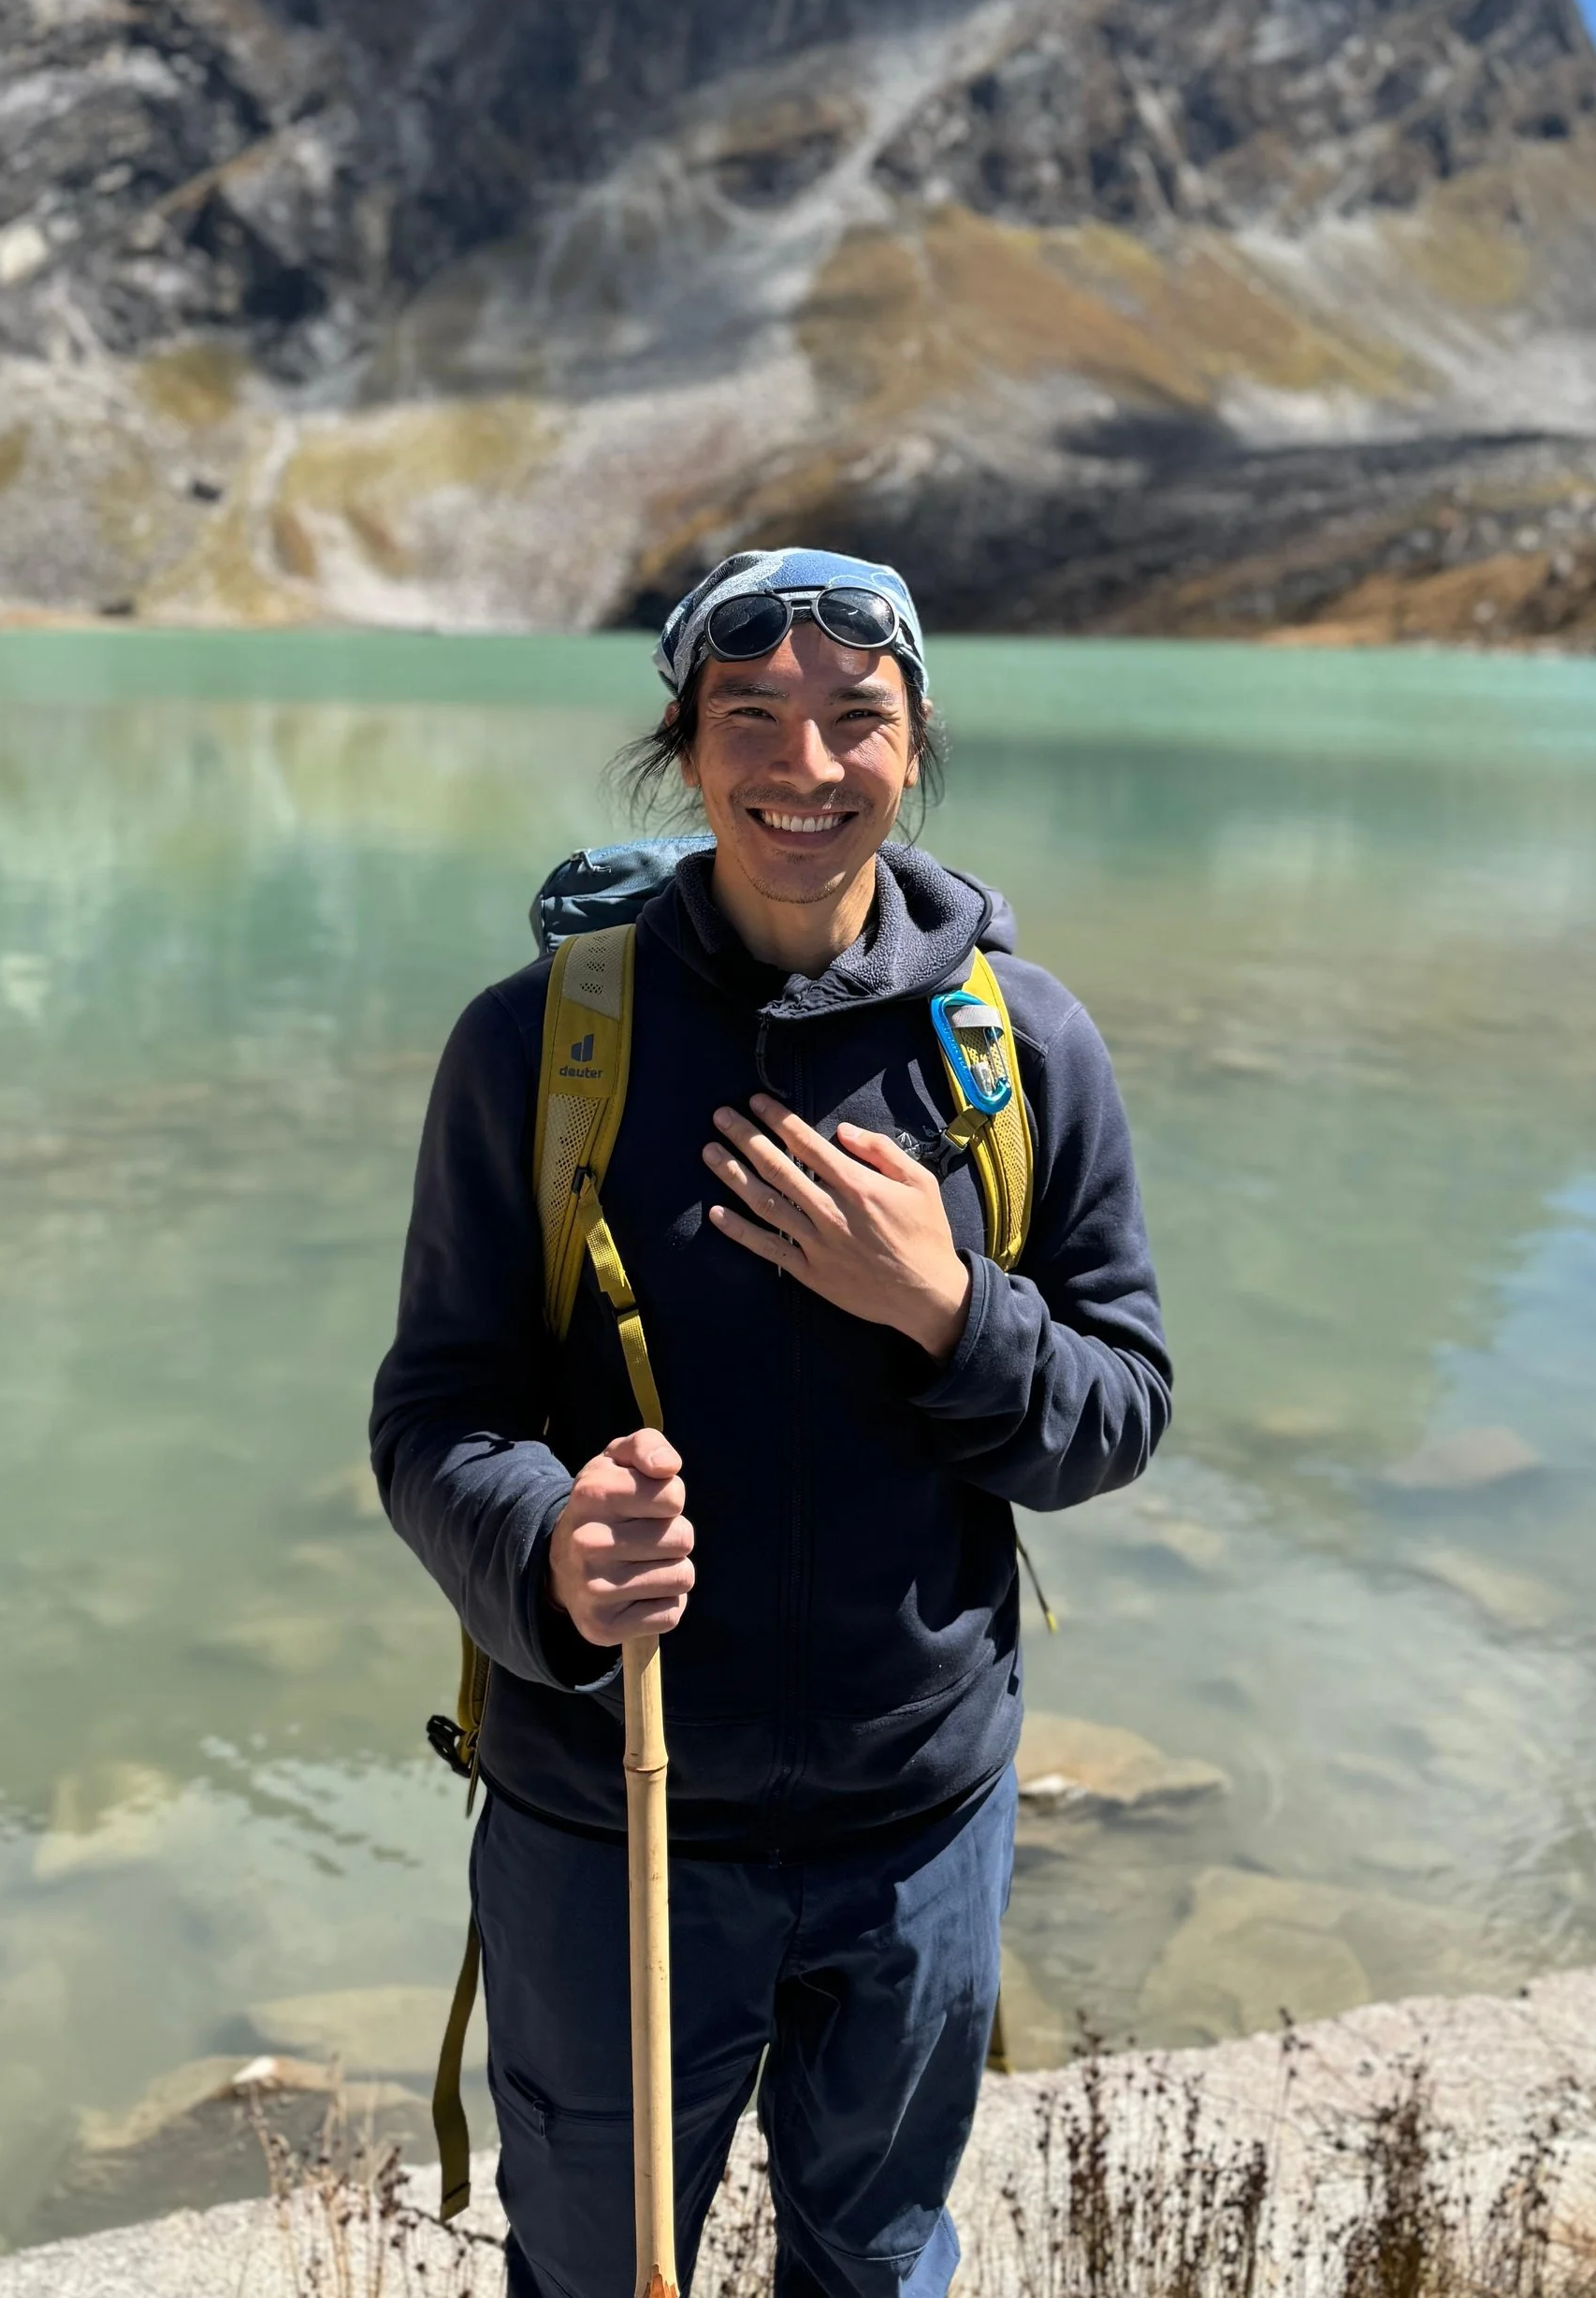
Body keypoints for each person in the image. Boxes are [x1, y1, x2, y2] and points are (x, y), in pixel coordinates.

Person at [370, 547, 1169, 2298]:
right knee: (592, 2272)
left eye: (853, 720)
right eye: (754, 717)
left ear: (915, 739)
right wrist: (553, 1548)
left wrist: (946, 1308)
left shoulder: (1023, 1050)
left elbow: (1117, 1412)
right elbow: (436, 1413)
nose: (805, 768)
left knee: (873, 2262)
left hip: (919, 1829)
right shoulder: (538, 1052)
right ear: (685, 743)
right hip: (611, 1834)